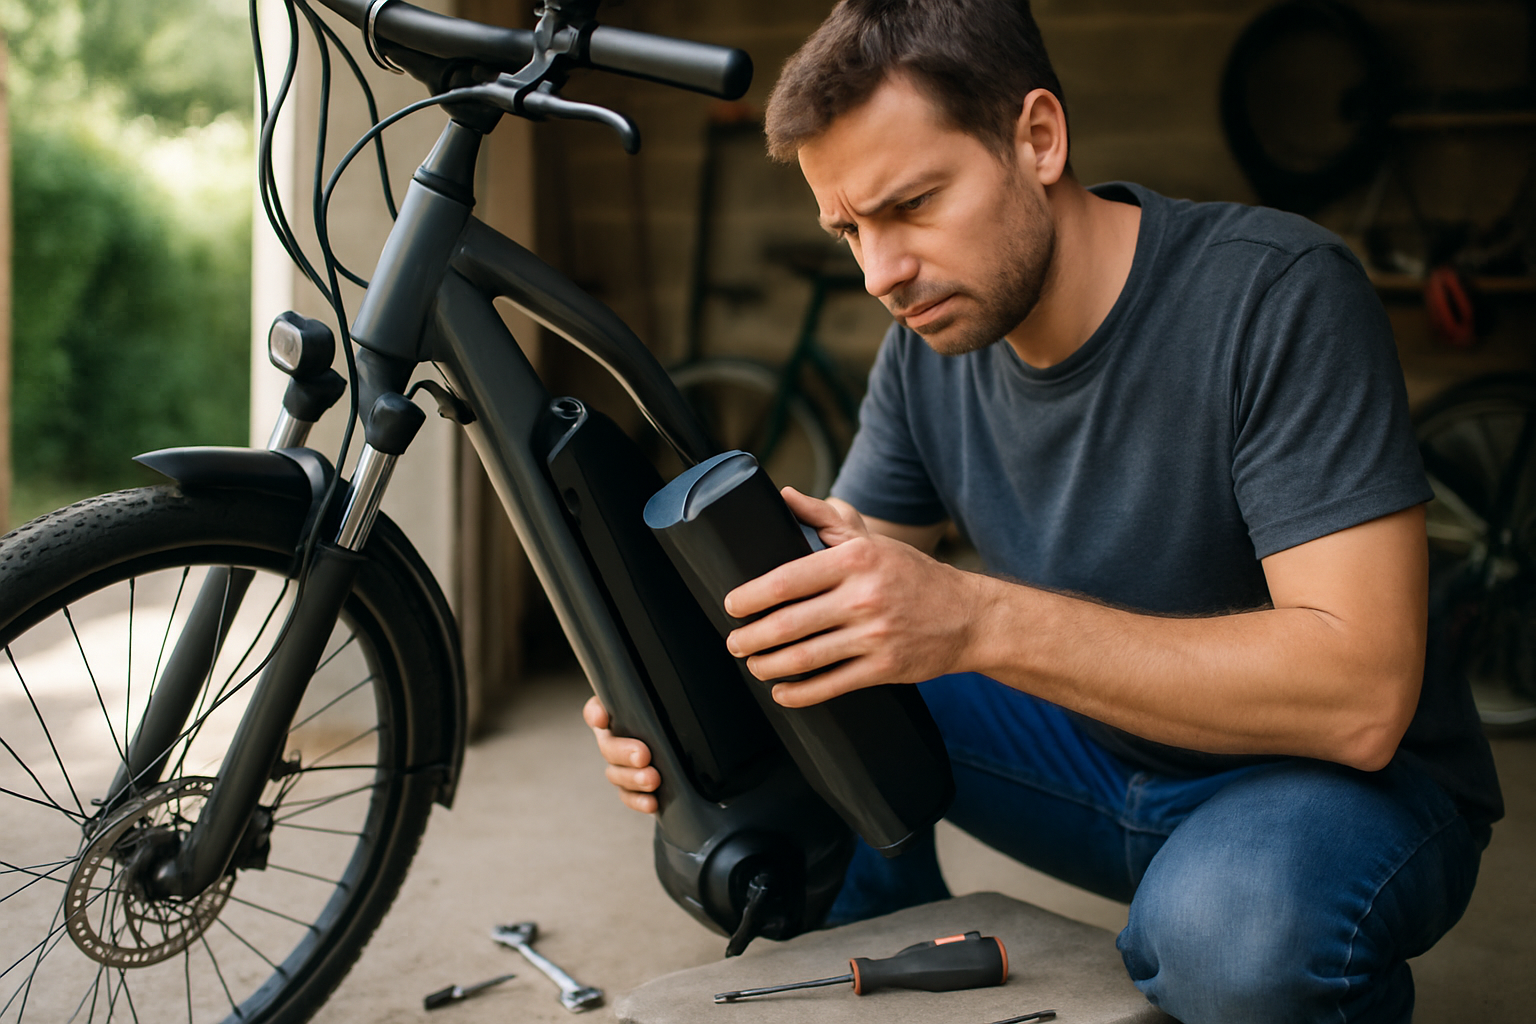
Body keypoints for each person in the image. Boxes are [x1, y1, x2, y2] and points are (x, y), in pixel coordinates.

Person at [585, 1, 1503, 1021]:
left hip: (1334, 787)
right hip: (1094, 757)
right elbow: (847, 610)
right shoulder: (928, 349)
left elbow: (1361, 698)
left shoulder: (1277, 296)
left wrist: (979, 618)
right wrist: (684, 715)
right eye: (849, 229)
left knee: (1235, 942)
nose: (880, 274)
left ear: (1038, 138)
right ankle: (895, 988)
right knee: (790, 710)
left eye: (914, 204)